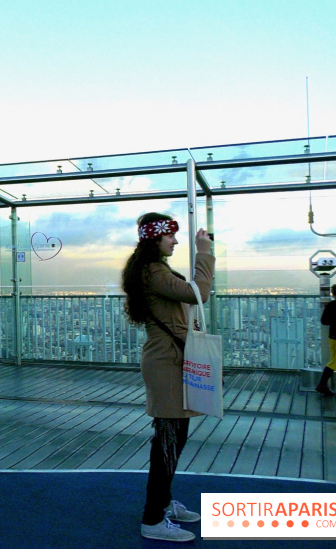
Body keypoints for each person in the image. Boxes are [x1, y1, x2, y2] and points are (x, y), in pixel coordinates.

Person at [121, 212, 215, 543]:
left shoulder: (153, 270)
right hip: (166, 364)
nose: (175, 241)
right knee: (167, 442)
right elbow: (199, 292)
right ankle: (152, 519)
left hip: (170, 361)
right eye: (170, 236)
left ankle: (162, 504)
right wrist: (204, 252)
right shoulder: (154, 272)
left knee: (173, 439)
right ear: (155, 239)